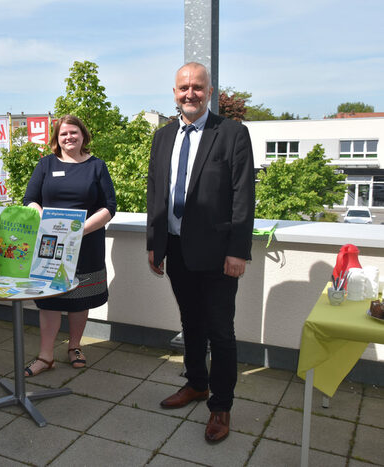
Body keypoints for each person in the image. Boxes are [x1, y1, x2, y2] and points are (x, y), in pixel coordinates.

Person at [146, 62, 255, 444]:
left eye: (196, 87)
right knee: (190, 322)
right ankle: (196, 383)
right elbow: (155, 191)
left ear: (209, 91)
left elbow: (243, 195)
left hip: (219, 254)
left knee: (221, 332)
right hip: (176, 249)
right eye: (182, 88)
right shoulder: (162, 137)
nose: (188, 93)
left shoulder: (232, 133)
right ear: (174, 92)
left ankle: (221, 406)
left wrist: (238, 251)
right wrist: (154, 243)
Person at [22, 115, 116, 376]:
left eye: (74, 132)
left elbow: (110, 207)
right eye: (63, 134)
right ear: (57, 138)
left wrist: (78, 231)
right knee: (49, 299)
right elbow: (30, 199)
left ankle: (74, 347)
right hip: (51, 244)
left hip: (85, 242)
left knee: (79, 297)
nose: (69, 137)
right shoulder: (45, 165)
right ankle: (45, 355)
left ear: (83, 135)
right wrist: (48, 223)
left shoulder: (97, 166)